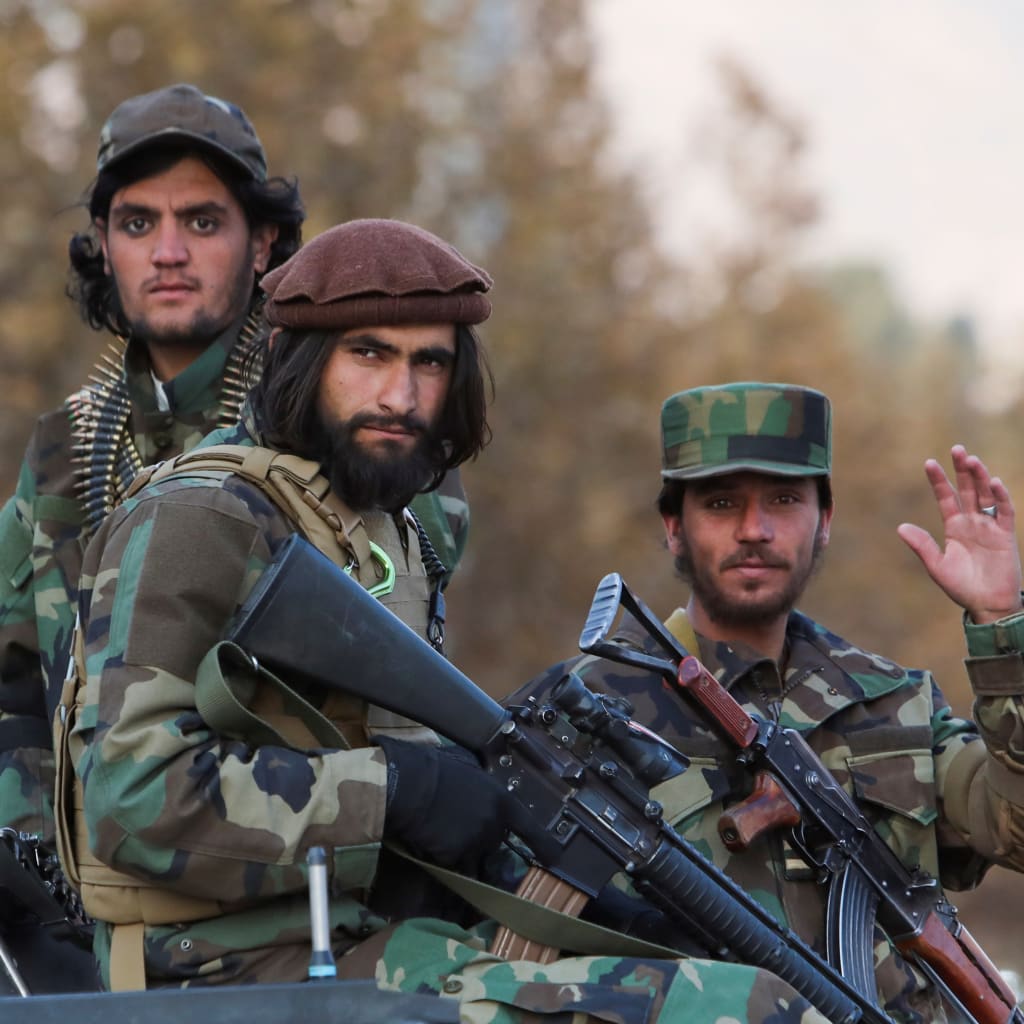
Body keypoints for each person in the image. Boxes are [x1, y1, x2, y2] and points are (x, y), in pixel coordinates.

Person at [53, 228, 837, 1023]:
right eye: (369, 354)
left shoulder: (388, 523)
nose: (401, 395)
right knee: (748, 1011)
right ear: (298, 358)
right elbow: (129, 798)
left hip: (378, 935)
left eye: (429, 362)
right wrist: (397, 790)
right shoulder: (200, 517)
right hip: (227, 971)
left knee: (728, 973)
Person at [0, 84, 469, 849]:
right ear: (103, 243)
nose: (168, 252)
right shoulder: (64, 449)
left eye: (203, 221)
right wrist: (33, 856)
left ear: (262, 243)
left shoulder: (347, 418)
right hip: (95, 876)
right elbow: (13, 690)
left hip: (285, 868)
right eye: (138, 223)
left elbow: (391, 674)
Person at [509, 380, 1024, 1023]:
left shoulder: (896, 703)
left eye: (784, 499)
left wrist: (1001, 625)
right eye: (721, 503)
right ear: (674, 526)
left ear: (824, 521)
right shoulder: (581, 709)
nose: (754, 530)